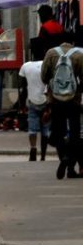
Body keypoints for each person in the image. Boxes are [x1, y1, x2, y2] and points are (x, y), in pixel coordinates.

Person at [41, 34, 83, 179]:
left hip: (55, 100)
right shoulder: (79, 54)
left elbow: (44, 77)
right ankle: (71, 167)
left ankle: (63, 156)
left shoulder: (51, 53)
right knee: (75, 133)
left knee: (58, 131)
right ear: (72, 42)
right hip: (74, 100)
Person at [19, 52, 51, 162]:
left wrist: (21, 104)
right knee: (45, 130)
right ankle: (43, 155)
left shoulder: (26, 66)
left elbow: (23, 87)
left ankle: (33, 149)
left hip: (32, 101)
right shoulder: (47, 66)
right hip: (46, 102)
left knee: (32, 129)